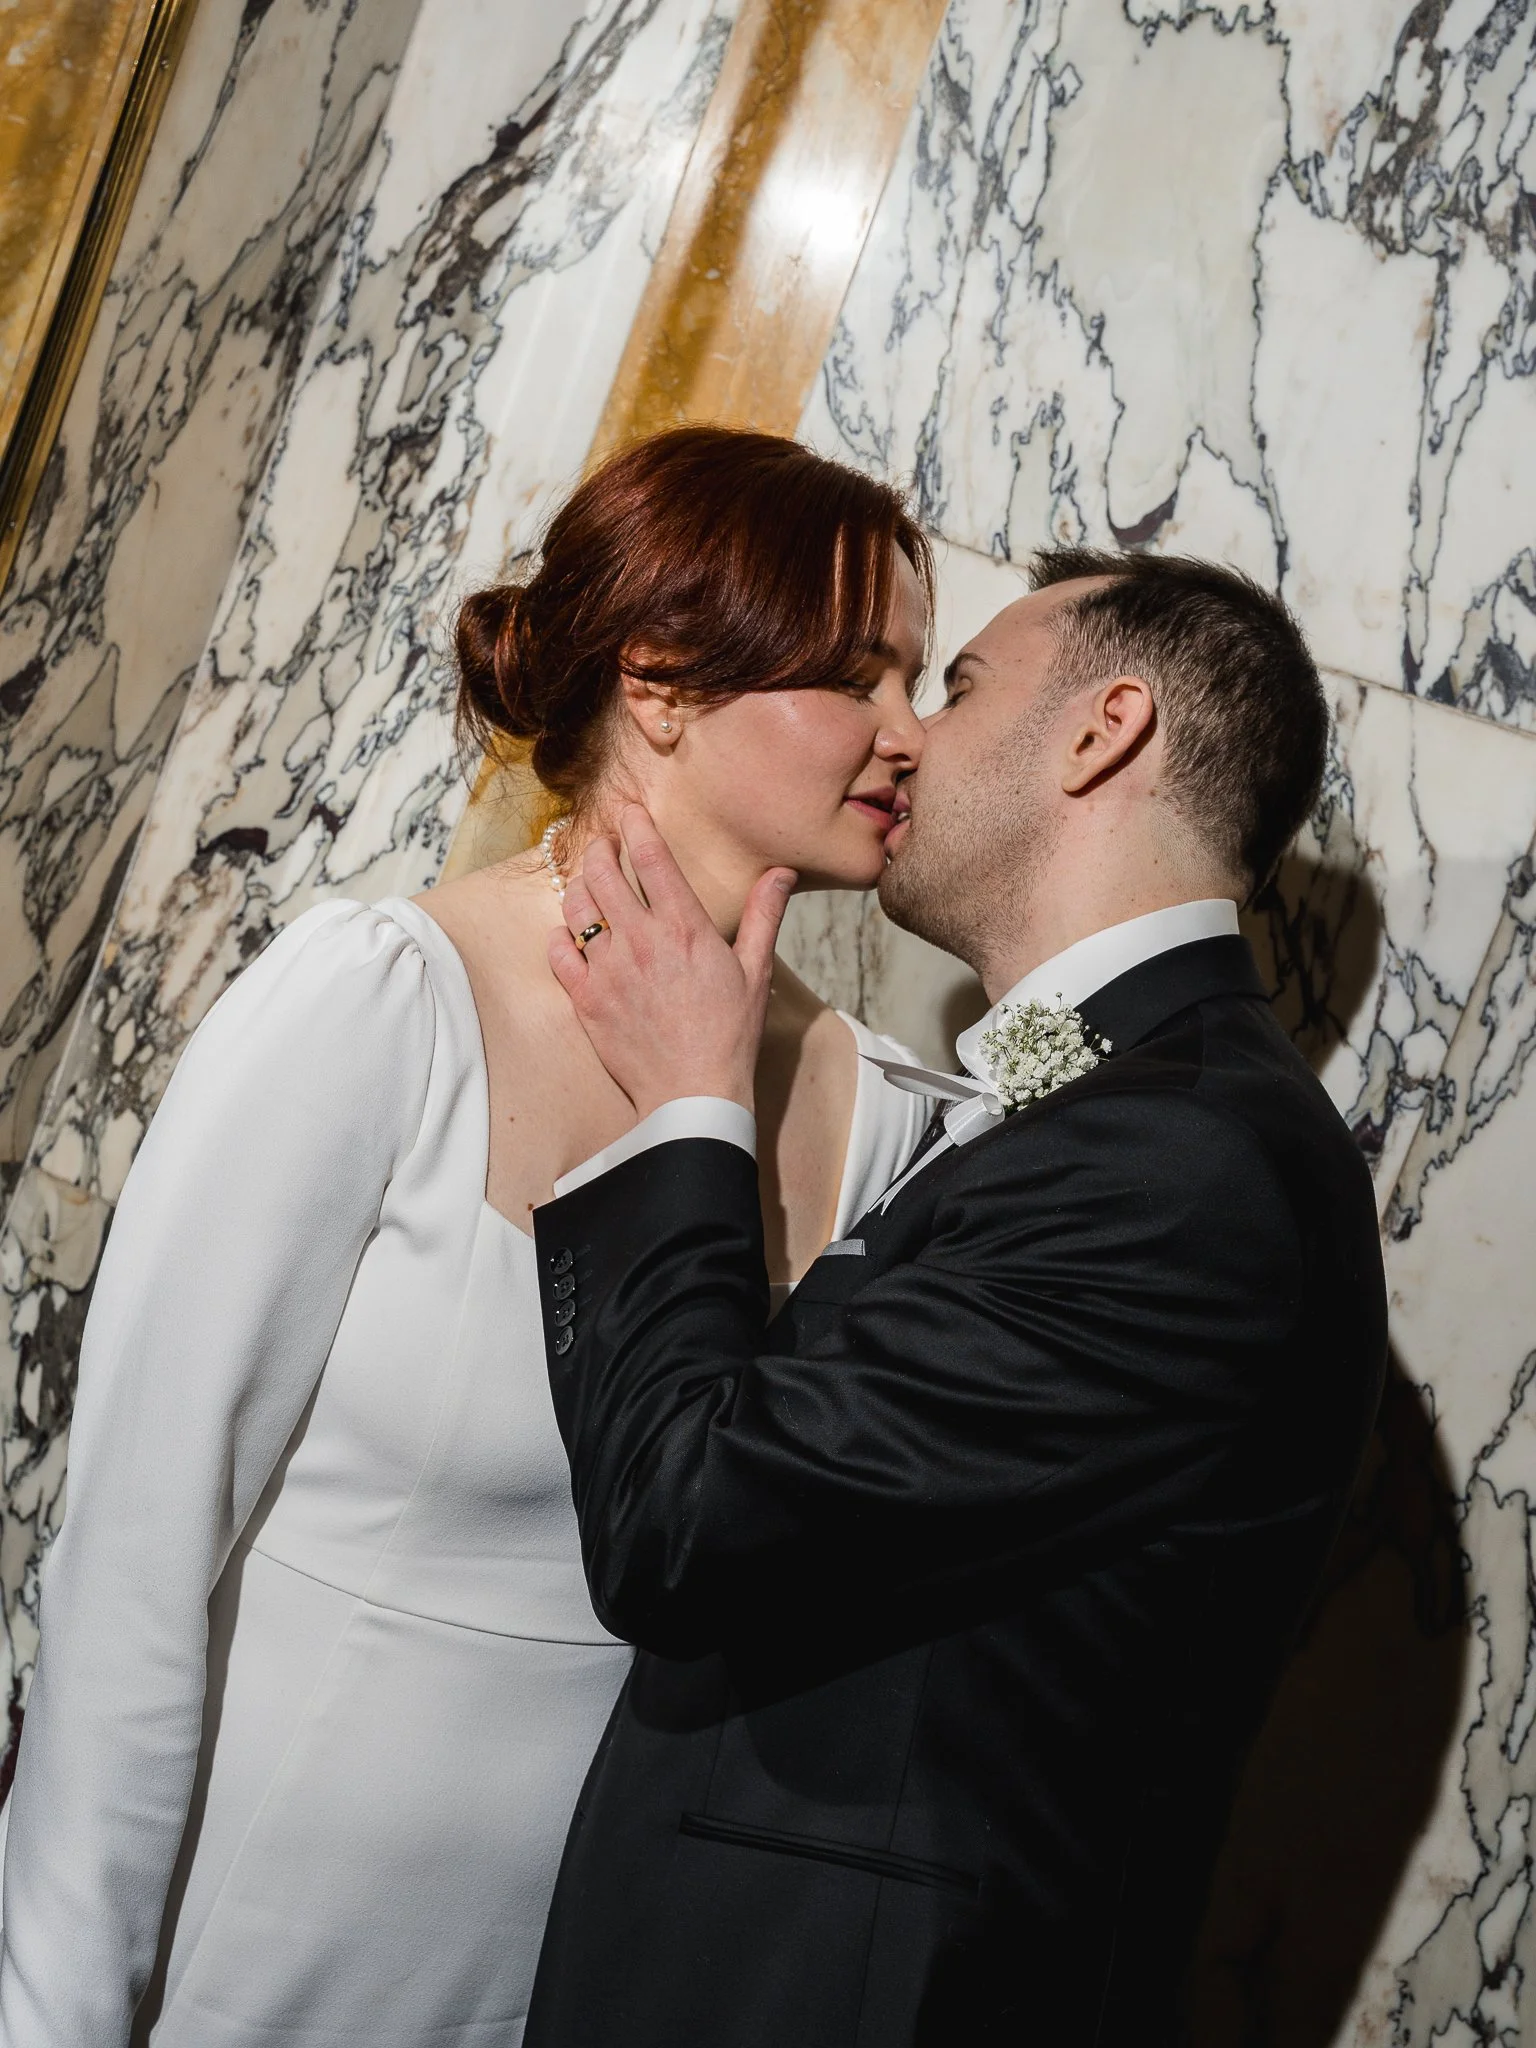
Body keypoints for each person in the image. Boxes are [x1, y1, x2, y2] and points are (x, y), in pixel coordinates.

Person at [0, 427, 937, 2047]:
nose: (909, 735)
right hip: (247, 1958)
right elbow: (135, 1575)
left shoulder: (884, 1118)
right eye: (858, 675)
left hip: (583, 1984)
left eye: (918, 678)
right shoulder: (379, 1002)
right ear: (659, 683)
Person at [522, 549, 1389, 2045]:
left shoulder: (1181, 1165)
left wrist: (687, 1106)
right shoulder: (1106, 1092)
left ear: (1102, 731)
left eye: (959, 685)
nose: (904, 736)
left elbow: (687, 1525)